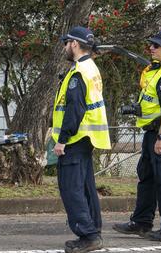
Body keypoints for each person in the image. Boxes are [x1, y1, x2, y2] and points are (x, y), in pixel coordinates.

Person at [113, 31, 161, 243]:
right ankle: (141, 222)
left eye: (157, 45)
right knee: (146, 177)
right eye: (152, 44)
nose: (152, 48)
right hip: (154, 131)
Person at [52, 26, 111, 253]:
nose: (65, 47)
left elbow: (74, 109)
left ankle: (88, 235)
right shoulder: (90, 68)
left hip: (75, 138)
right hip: (87, 137)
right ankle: (93, 228)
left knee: (71, 188)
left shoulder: (78, 73)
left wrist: (62, 140)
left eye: (66, 43)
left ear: (74, 44)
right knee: (85, 186)